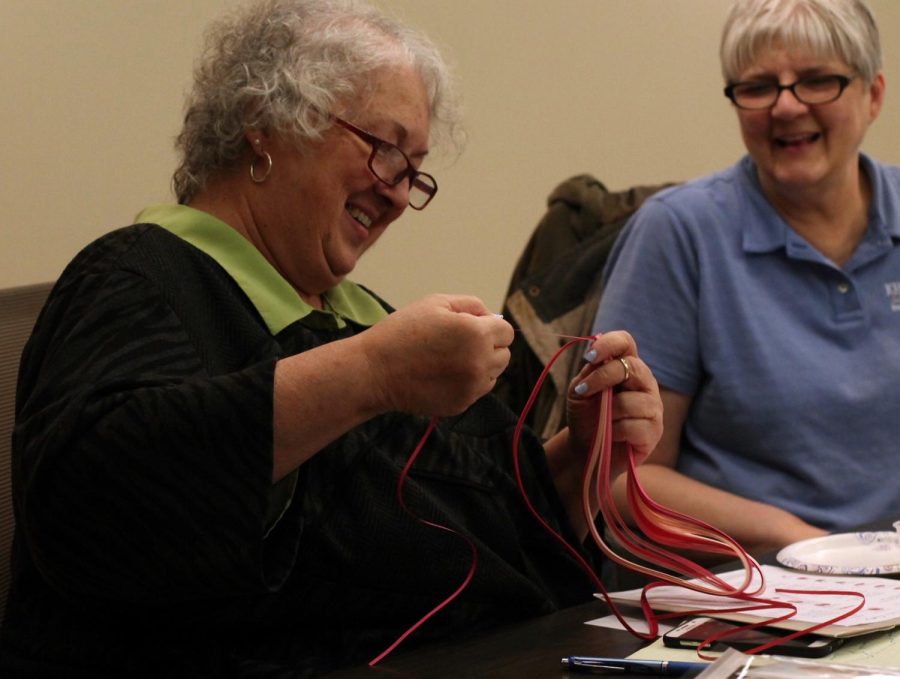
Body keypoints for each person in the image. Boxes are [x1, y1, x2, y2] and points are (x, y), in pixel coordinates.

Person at [0, 0, 663, 677]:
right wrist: (368, 374)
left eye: (414, 172)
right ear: (265, 124)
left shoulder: (363, 317)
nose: (401, 195)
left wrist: (583, 454)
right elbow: (91, 502)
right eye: (384, 151)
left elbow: (487, 537)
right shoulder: (139, 274)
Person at [592, 0, 899, 557]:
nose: (785, 107)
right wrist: (803, 542)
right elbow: (622, 482)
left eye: (815, 82)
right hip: (754, 591)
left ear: (873, 95)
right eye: (758, 87)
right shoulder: (679, 234)